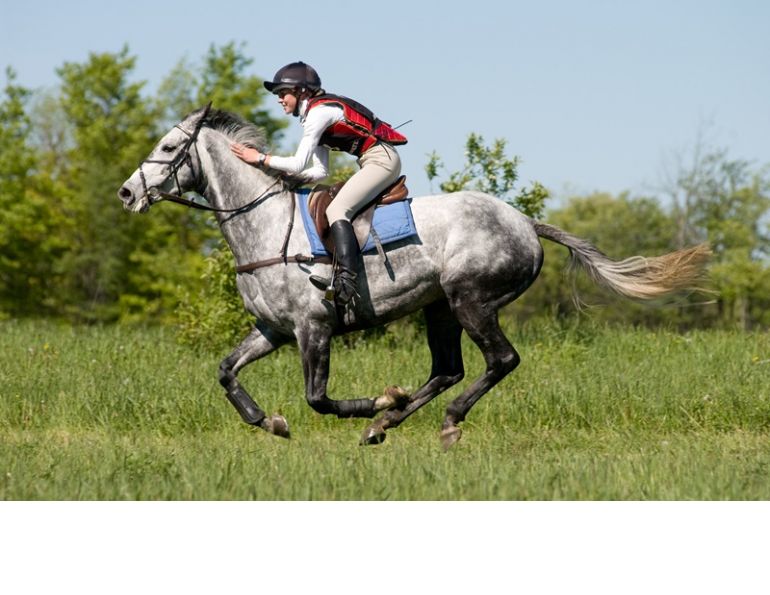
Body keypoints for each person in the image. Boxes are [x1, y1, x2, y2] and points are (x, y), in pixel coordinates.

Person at [230, 61, 406, 306]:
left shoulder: (318, 114)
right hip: (373, 160)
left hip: (381, 160)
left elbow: (298, 163)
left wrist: (260, 158)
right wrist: (285, 179)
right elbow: (320, 172)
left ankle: (347, 281)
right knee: (324, 198)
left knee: (337, 210)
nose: (279, 99)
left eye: (283, 93)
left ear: (301, 91)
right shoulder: (314, 115)